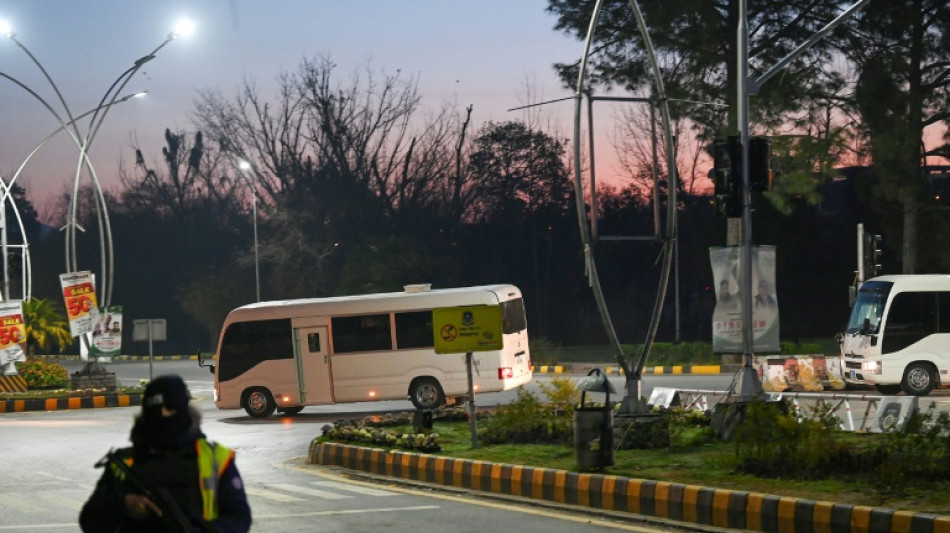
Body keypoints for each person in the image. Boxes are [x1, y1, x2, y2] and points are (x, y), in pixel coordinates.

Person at [80, 375, 252, 532]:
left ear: (184, 411)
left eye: (170, 408)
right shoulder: (124, 463)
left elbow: (239, 517)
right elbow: (89, 520)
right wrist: (124, 504)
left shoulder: (215, 458)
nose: (163, 414)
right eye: (156, 410)